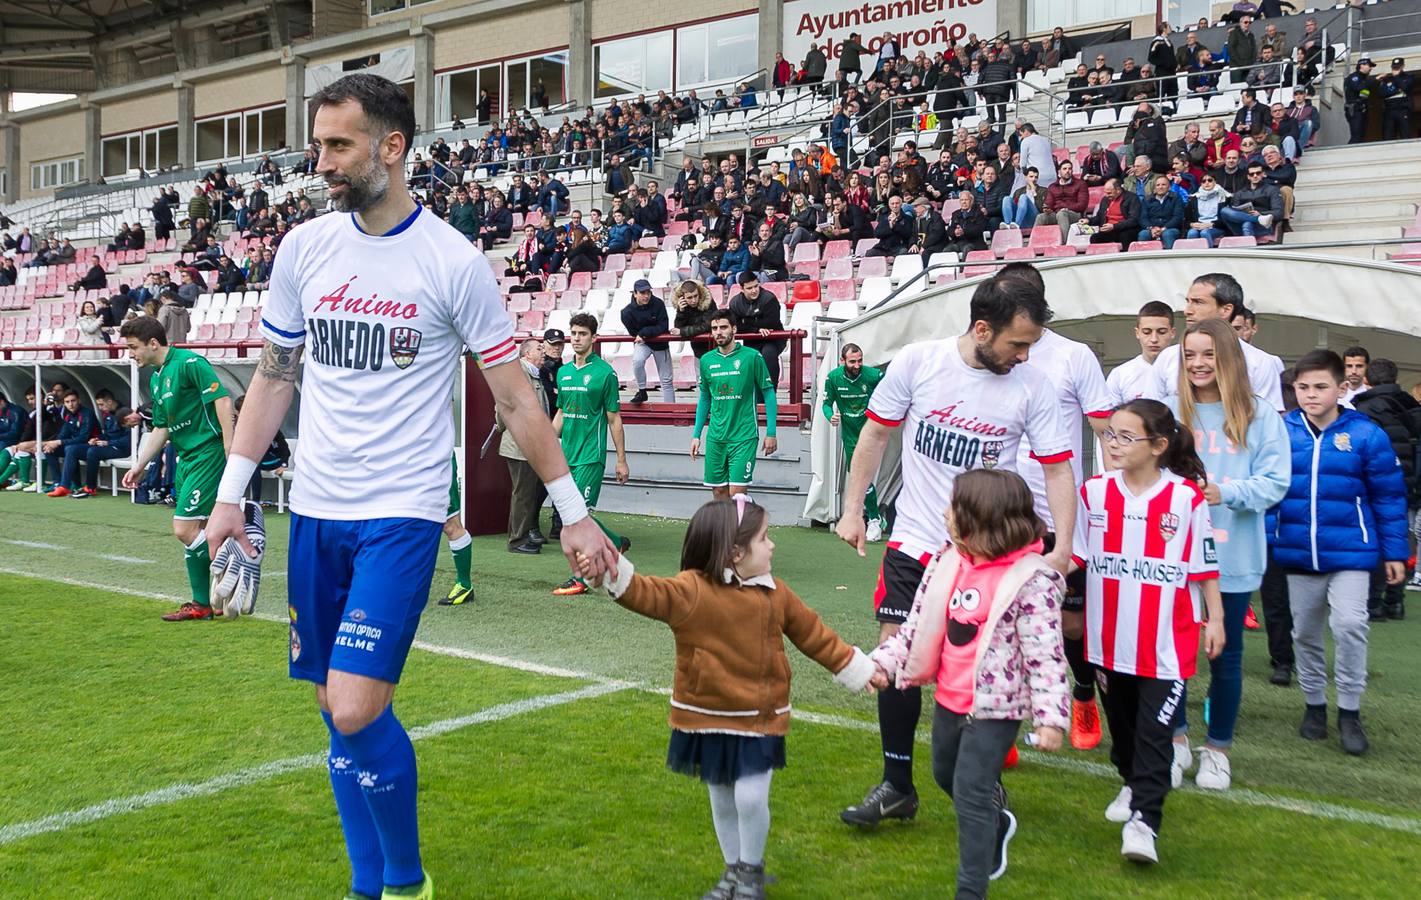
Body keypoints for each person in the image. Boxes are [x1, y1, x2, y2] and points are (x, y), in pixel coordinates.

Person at [203, 75, 615, 900]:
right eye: (318, 144)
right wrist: (231, 494)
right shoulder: (304, 249)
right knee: (329, 703)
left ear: (391, 148)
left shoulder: (452, 262)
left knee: (355, 707)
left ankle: (407, 883)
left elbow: (514, 398)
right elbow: (274, 378)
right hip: (315, 508)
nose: (320, 162)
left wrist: (574, 513)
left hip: (401, 510)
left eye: (338, 146)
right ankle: (372, 885)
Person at [834, 273, 1074, 827]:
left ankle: (979, 783)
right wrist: (851, 508)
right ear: (982, 329)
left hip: (989, 558)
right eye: (1017, 343)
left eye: (1031, 345)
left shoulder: (1032, 386)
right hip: (916, 541)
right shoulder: (919, 363)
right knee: (894, 658)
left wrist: (1062, 547)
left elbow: (1058, 467)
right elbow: (874, 435)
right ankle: (897, 785)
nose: (1024, 354)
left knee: (982, 669)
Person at [579, 496, 877, 900]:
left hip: (760, 716)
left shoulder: (776, 594)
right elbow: (646, 593)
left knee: (751, 798)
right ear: (736, 552)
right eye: (765, 538)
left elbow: (814, 636)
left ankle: (751, 873)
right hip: (707, 715)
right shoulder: (691, 591)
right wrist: (609, 571)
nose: (772, 546)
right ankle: (733, 871)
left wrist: (857, 669)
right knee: (721, 797)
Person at [869, 469, 1067, 890]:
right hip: (950, 701)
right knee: (945, 775)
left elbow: (1046, 655)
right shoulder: (947, 562)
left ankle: (971, 888)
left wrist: (1051, 718)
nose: (945, 514)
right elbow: (915, 626)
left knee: (972, 790)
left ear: (984, 519)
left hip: (996, 709)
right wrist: (883, 663)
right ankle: (995, 825)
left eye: (955, 509)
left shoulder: (1033, 580)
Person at [1073, 399, 1224, 864]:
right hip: (1107, 641)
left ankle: (1144, 824)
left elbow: (1203, 567)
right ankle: (1131, 783)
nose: (1113, 444)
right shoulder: (1093, 493)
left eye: (1125, 436)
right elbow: (1074, 558)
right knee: (1124, 733)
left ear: (1159, 446)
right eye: (1109, 435)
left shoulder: (1186, 498)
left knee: (1155, 736)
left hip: (1166, 643)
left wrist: (1215, 619)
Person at [1166, 318, 1290, 792]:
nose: (1198, 364)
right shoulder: (1171, 411)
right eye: (1190, 355)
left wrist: (1223, 491)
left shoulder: (1260, 415)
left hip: (1232, 555)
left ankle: (1217, 750)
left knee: (1227, 656)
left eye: (1208, 355)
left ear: (1230, 359)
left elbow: (1276, 483)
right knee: (1171, 655)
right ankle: (1174, 742)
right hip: (1172, 554)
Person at [1274, 350, 1408, 756]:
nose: (1311, 395)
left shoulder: (1367, 434)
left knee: (1350, 625)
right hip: (1298, 553)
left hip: (1352, 553)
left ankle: (1349, 711)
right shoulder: (1280, 431)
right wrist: (1266, 540)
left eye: (1320, 387)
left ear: (1341, 387)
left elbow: (1388, 496)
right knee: (1305, 634)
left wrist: (1394, 552)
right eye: (1303, 388)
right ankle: (1315, 705)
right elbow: (1267, 490)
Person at [117, 317, 233, 618]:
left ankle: (218, 583)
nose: (131, 354)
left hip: (207, 452)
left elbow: (222, 400)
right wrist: (140, 465)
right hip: (185, 458)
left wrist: (230, 446)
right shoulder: (156, 378)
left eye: (133, 347)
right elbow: (161, 428)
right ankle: (210, 601)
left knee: (184, 528)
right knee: (204, 529)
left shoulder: (191, 362)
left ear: (153, 343)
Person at [551, 312, 631, 596]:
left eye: (582, 334)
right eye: (573, 333)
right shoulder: (563, 372)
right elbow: (562, 412)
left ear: (593, 338)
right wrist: (547, 442)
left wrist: (621, 460)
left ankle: (581, 578)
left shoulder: (605, 373)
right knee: (571, 515)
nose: (576, 338)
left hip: (591, 455)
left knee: (578, 516)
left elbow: (614, 419)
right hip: (567, 455)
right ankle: (614, 543)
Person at [1152, 273, 1284, 411]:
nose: (1187, 311)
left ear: (1226, 310)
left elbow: (1268, 420)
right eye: (1188, 302)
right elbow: (1151, 414)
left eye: (1198, 302)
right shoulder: (1168, 357)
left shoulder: (1260, 362)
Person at [1352, 358, 1421, 620]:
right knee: (1397, 537)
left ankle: (1373, 601)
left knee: (1375, 540)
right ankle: (1396, 600)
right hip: (1406, 480)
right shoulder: (1411, 405)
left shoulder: (1365, 409)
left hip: (1375, 482)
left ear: (1367, 379)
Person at [692, 311, 777, 500]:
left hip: (744, 435)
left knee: (736, 494)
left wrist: (771, 432)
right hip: (716, 437)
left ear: (734, 329)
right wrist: (696, 435)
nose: (718, 332)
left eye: (723, 327)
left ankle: (746, 517)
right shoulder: (706, 360)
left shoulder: (752, 357)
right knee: (719, 493)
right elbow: (705, 398)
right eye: (714, 328)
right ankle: (732, 527)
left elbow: (769, 392)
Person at [823, 344, 887, 542]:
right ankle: (876, 517)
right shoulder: (833, 378)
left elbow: (892, 390)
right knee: (859, 477)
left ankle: (874, 520)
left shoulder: (873, 375)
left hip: (870, 433)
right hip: (850, 436)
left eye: (860, 360)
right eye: (852, 361)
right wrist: (830, 416)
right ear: (843, 361)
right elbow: (826, 404)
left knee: (863, 477)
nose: (857, 365)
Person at [496, 338, 554, 555]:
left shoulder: (532, 374)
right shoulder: (519, 374)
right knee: (523, 493)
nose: (544, 351)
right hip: (521, 444)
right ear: (526, 353)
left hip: (529, 444)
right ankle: (517, 540)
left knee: (527, 492)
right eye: (539, 348)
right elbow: (504, 407)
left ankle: (520, 536)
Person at [1107, 301, 1177, 406]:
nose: (1154, 339)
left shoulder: (1187, 369)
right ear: (1137, 333)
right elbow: (1110, 418)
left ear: (1172, 333)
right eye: (1147, 332)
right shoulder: (1120, 374)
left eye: (1161, 332)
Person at [621, 279, 675, 405]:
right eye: (642, 293)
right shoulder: (626, 312)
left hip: (660, 343)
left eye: (648, 292)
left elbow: (663, 326)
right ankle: (642, 390)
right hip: (644, 342)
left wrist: (644, 333)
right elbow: (633, 332)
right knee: (637, 361)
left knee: (666, 380)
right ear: (635, 294)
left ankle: (671, 408)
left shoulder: (658, 304)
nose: (646, 296)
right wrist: (646, 334)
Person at [728, 273, 785, 389]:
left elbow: (771, 323)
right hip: (751, 340)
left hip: (773, 339)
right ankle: (754, 396)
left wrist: (746, 323)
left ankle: (770, 391)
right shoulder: (735, 303)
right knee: (750, 360)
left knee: (768, 355)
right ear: (742, 289)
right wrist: (756, 329)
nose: (754, 290)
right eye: (749, 288)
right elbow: (735, 326)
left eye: (756, 286)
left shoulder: (769, 298)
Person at [40, 389, 98, 496]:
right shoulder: (68, 415)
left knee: (70, 449)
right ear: (64, 403)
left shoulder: (87, 414)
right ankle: (57, 482)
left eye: (73, 401)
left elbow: (84, 437)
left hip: (93, 446)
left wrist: (59, 442)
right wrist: (52, 444)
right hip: (77, 446)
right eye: (67, 402)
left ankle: (64, 486)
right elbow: (63, 434)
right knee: (50, 449)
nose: (70, 404)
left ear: (79, 401)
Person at [1036, 159, 1091, 243]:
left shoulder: (1081, 184)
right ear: (1059, 171)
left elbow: (1082, 205)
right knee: (1041, 217)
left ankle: (1065, 243)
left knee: (1062, 214)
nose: (1067, 171)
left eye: (1069, 169)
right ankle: (1036, 243)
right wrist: (1046, 208)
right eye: (1064, 169)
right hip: (1057, 213)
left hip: (1075, 214)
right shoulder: (1052, 186)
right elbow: (1048, 203)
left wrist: (1065, 208)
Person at [1082, 178, 1139, 251]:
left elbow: (1133, 220)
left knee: (1125, 236)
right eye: (1105, 192)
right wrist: (1088, 221)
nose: (1106, 195)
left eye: (1109, 193)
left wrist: (1114, 226)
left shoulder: (1132, 198)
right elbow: (1099, 217)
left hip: (1126, 229)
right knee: (1095, 238)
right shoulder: (1105, 200)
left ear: (1118, 190)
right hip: (1109, 230)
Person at [670, 279, 717, 360]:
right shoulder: (683, 306)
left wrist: (683, 331)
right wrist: (681, 311)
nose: (694, 300)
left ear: (699, 293)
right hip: (697, 347)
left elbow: (707, 326)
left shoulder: (708, 302)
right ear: (682, 297)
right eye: (689, 297)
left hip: (714, 345)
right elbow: (678, 327)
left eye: (696, 296)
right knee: (699, 371)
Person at [1138, 176, 1185, 248]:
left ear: (1169, 187)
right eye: (1158, 185)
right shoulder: (1147, 199)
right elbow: (1143, 218)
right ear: (1155, 187)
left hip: (1170, 228)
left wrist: (1164, 228)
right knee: (1143, 234)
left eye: (1163, 184)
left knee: (1167, 234)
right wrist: (1151, 228)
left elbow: (1177, 217)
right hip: (1152, 228)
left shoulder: (1176, 198)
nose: (1160, 187)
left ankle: (1170, 257)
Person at [1379, 58, 1414, 142]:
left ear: (1402, 67)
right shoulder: (1387, 79)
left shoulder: (1409, 77)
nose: (1395, 69)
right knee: (1388, 136)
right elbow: (1381, 93)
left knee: (1405, 134)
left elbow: (1405, 87)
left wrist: (1396, 77)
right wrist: (1397, 91)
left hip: (1402, 109)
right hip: (1389, 110)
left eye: (1398, 67)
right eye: (1394, 67)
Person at [1344, 58, 1377, 144]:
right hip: (1354, 109)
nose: (1371, 68)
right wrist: (1375, 79)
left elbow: (1363, 95)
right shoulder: (1354, 77)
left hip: (1362, 109)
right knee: (1356, 134)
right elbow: (1359, 87)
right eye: (1369, 66)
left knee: (1362, 135)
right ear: (1362, 65)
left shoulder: (1364, 79)